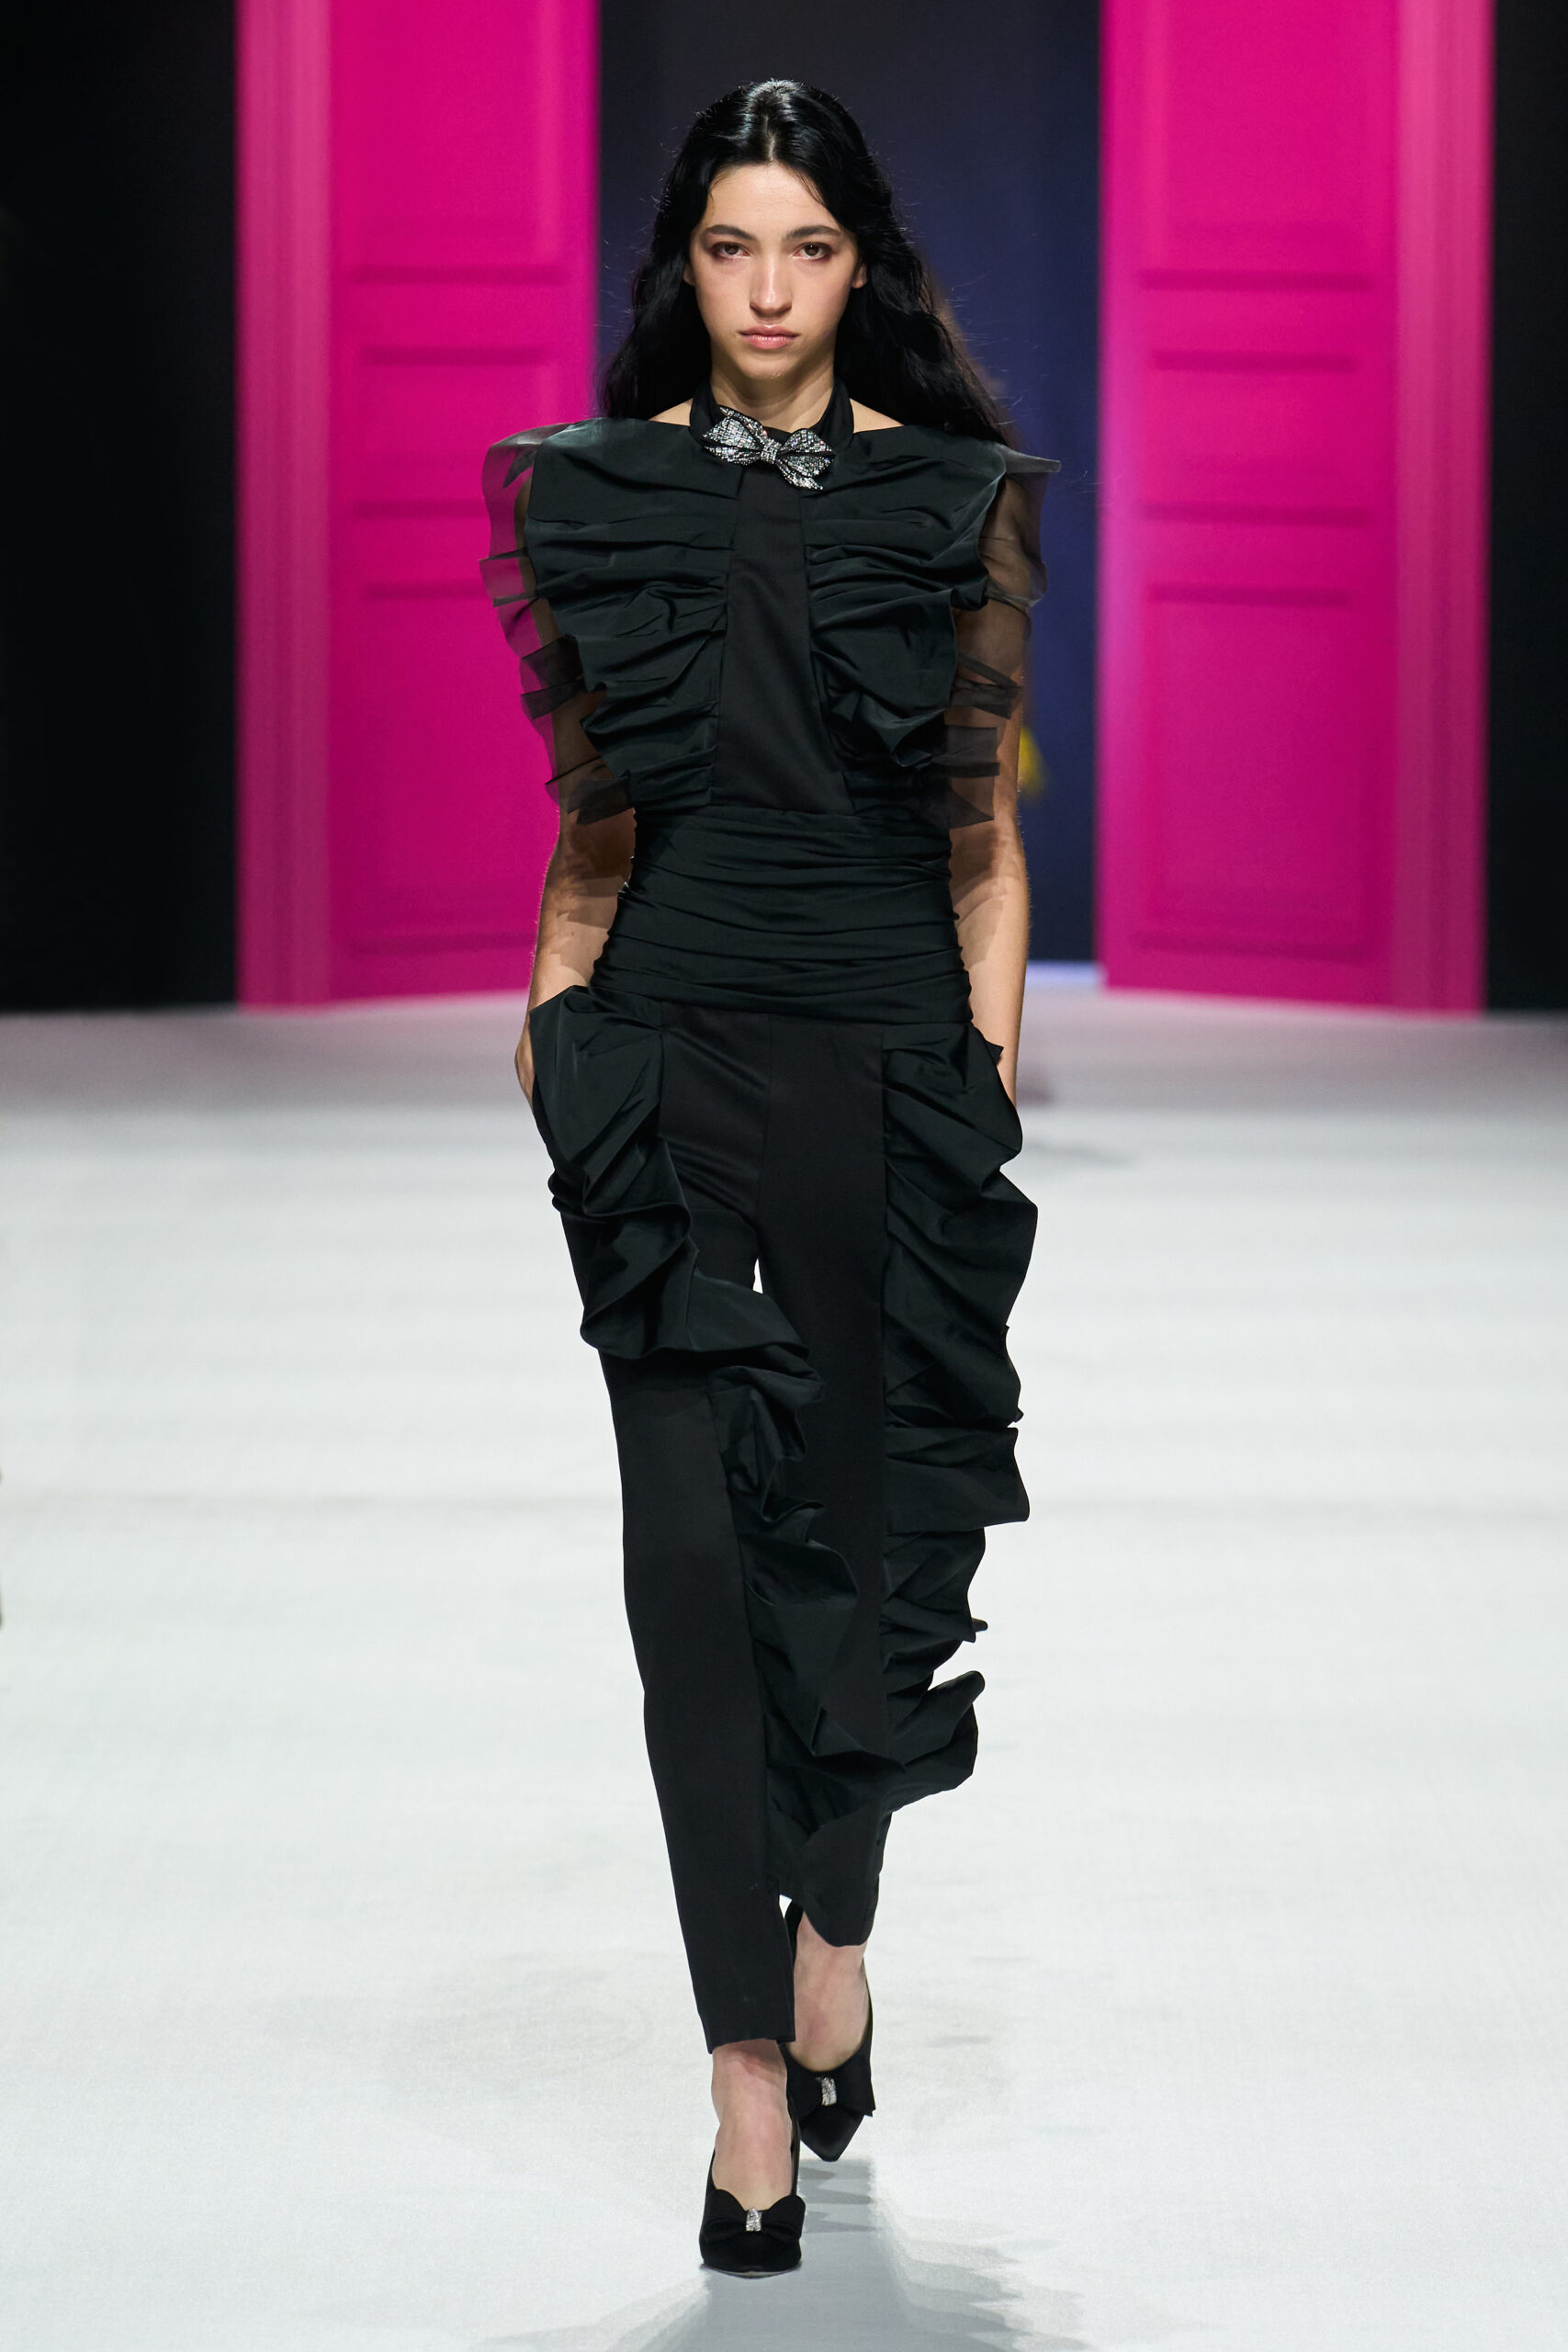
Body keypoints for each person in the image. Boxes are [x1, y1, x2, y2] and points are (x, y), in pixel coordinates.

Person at [481, 77, 1055, 2277]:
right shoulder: (600, 492)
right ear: (684, 266)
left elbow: (979, 838)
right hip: (666, 1062)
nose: (765, 292)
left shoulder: (949, 501)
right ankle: (742, 2074)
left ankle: (831, 1936)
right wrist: (557, 1028)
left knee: (867, 1549)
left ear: (857, 267)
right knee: (690, 1578)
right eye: (729, 248)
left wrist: (977, 1075)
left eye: (804, 249)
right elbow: (593, 826)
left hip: (887, 1076)